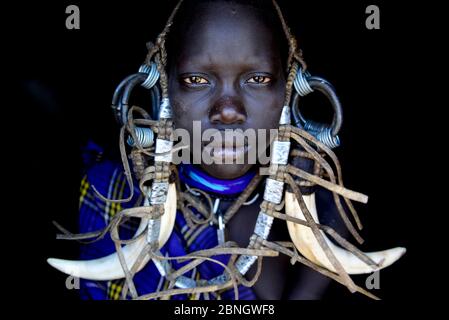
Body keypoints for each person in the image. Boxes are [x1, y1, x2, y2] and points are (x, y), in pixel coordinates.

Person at [48, 0, 405, 300]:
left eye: (258, 79)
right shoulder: (109, 194)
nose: (229, 111)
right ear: (163, 89)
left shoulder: (318, 201)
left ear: (290, 90)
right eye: (196, 80)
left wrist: (312, 205)